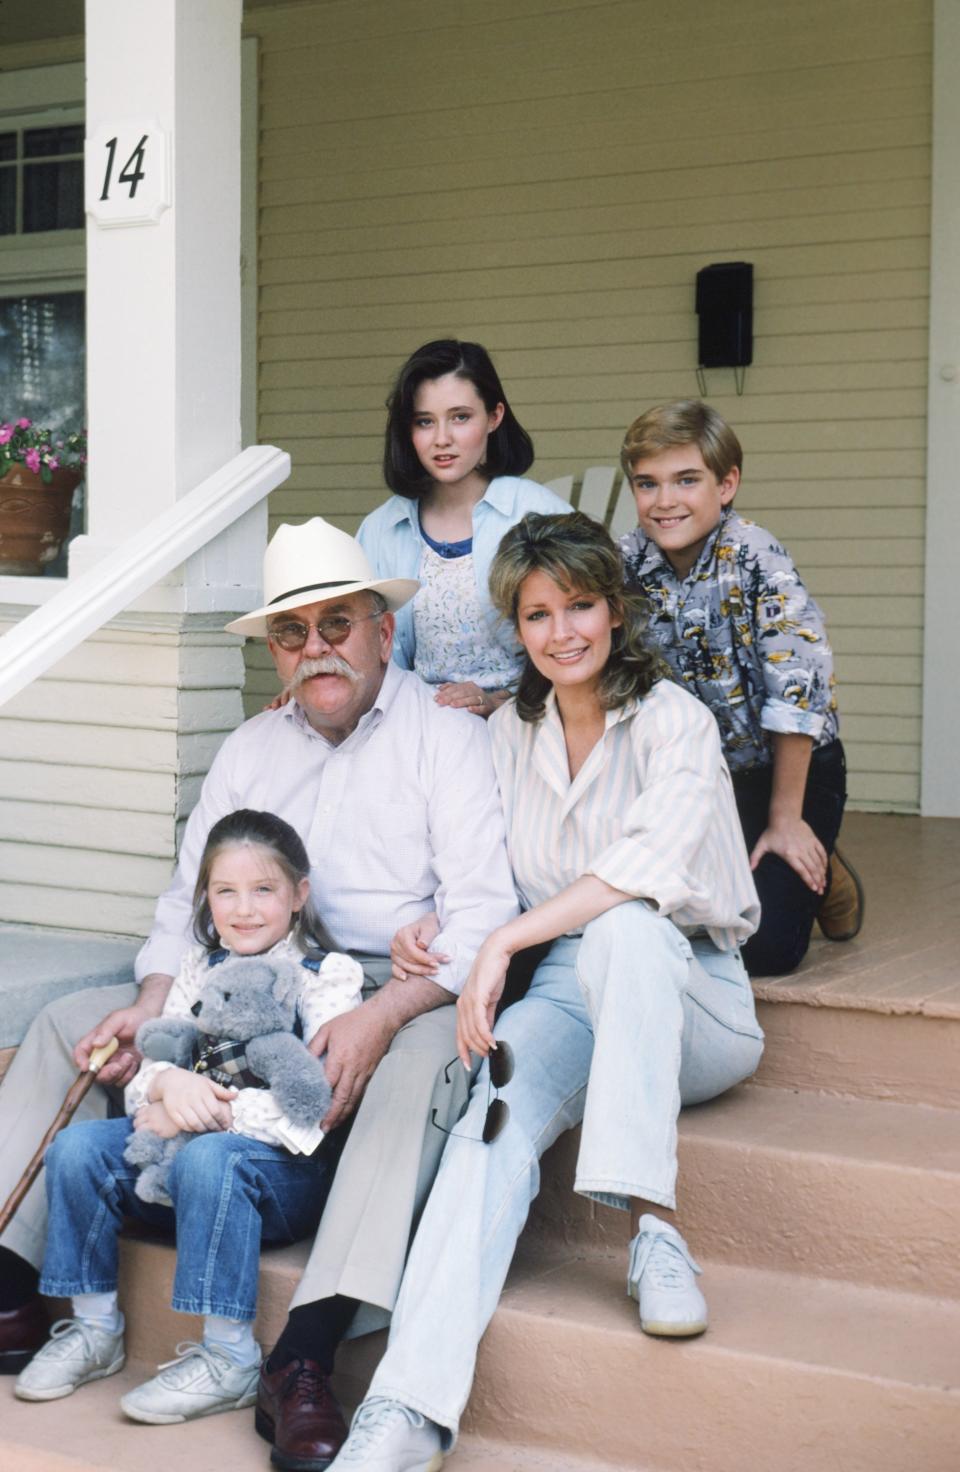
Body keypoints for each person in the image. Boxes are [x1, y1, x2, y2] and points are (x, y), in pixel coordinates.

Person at [0, 516, 519, 1471]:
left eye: (336, 625)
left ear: (382, 630)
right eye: (293, 632)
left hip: (393, 981)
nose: (316, 648)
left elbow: (485, 911)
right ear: (275, 650)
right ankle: (13, 1275)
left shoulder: (445, 737)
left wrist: (380, 1011)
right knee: (67, 1021)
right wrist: (152, 999)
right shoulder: (250, 748)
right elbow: (181, 900)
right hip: (240, 969)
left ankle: (305, 1349)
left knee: (416, 1069)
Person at [329, 511, 764, 1472]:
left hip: (696, 995)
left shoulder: (674, 723)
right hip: (570, 993)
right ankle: (405, 1411)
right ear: (515, 628)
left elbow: (644, 868)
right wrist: (438, 930)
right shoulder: (508, 735)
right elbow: (483, 874)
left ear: (614, 609)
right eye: (537, 614)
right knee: (492, 1118)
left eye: (579, 606)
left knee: (628, 928)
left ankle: (650, 1226)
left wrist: (509, 943)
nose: (561, 631)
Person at [14, 808, 364, 1424]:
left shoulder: (327, 977)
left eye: (264, 890)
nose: (244, 909)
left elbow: (311, 1112)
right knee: (79, 1149)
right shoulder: (199, 968)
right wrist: (169, 1084)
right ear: (205, 896)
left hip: (279, 1181)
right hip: (178, 1166)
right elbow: (150, 1069)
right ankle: (95, 1330)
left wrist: (199, 1114)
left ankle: (228, 1358)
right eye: (225, 891)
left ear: (299, 894)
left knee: (208, 1154)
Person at [617, 399, 864, 976]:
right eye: (647, 484)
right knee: (676, 916)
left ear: (726, 484)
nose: (665, 500)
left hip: (792, 771)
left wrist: (786, 818)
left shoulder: (754, 555)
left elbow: (798, 688)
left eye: (686, 480)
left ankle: (817, 852)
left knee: (766, 945)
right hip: (703, 777)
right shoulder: (627, 561)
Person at [357, 338, 570, 719]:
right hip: (416, 733)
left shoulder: (537, 512)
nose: (442, 439)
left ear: (494, 416)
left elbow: (584, 636)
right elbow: (358, 646)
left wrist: (498, 703)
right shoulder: (380, 530)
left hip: (527, 725)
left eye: (460, 417)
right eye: (425, 421)